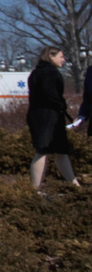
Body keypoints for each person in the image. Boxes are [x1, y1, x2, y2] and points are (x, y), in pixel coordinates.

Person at [27, 46, 80, 189]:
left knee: (61, 151)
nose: (63, 60)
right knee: (43, 151)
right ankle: (35, 189)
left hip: (44, 115)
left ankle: (74, 185)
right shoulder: (50, 73)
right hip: (47, 117)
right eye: (61, 57)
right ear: (51, 56)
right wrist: (62, 106)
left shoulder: (36, 73)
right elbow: (50, 94)